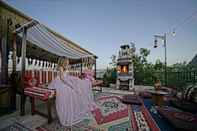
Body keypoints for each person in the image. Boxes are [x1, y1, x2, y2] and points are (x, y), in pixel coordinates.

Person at [47, 58, 96, 127]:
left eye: (68, 62)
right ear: (63, 62)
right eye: (67, 62)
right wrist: (69, 84)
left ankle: (77, 105)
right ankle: (68, 110)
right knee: (69, 89)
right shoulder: (60, 68)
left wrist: (72, 79)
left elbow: (66, 76)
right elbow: (62, 78)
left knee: (77, 83)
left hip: (65, 79)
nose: (68, 63)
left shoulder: (65, 67)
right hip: (60, 81)